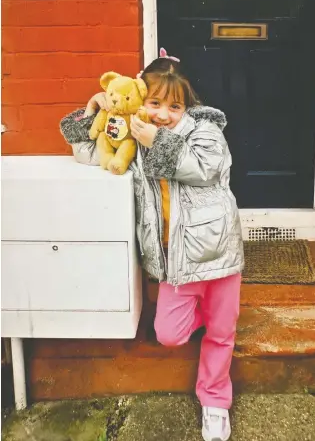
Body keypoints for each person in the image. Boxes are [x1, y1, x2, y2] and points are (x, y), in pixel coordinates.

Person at [60, 48, 244, 441]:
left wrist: (158, 139)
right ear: (140, 100)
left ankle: (214, 401)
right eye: (155, 103)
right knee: (169, 334)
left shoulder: (205, 131)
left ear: (188, 107)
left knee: (222, 332)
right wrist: (94, 112)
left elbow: (204, 169)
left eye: (174, 106)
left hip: (218, 252)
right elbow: (89, 152)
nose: (162, 113)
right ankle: (202, 317)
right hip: (173, 260)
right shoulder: (135, 134)